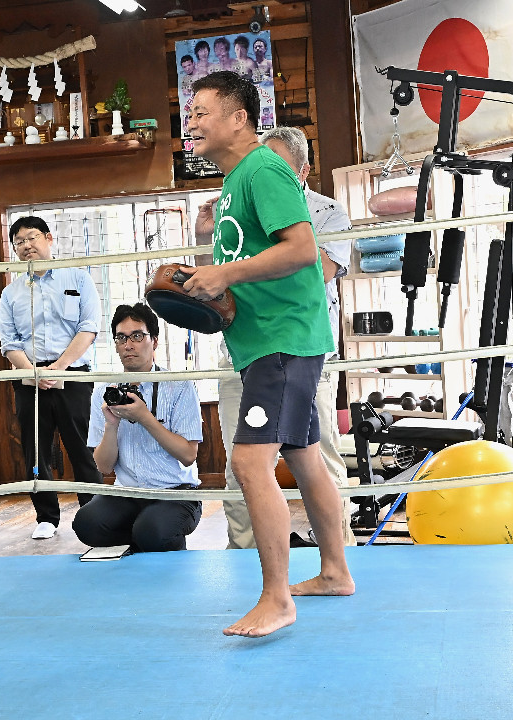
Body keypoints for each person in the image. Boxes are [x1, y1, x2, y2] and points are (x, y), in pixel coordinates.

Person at [183, 71, 354, 638]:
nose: (191, 122)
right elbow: (251, 265)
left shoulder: (263, 168)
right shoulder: (235, 182)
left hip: (282, 341)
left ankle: (277, 599)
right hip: (270, 340)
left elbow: (303, 249)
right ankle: (334, 572)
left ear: (239, 118)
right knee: (303, 457)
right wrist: (206, 286)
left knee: (249, 463)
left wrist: (225, 274)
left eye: (201, 112)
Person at [199, 125, 357, 550]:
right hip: (245, 346)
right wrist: (209, 238)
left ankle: (331, 557)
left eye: (275, 167)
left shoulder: (326, 212)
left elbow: (316, 271)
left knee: (311, 457)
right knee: (256, 464)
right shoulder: (237, 200)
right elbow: (218, 281)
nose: (264, 171)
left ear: (301, 172)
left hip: (294, 346)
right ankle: (247, 552)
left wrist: (257, 246)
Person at [0, 216, 102, 540]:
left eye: (32, 237)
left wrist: (60, 367)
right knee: (35, 450)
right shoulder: (11, 293)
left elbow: (89, 327)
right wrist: (34, 372)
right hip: (30, 378)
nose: (26, 246)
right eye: (19, 242)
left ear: (48, 238)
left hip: (73, 375)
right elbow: (9, 343)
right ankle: (46, 517)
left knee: (82, 448)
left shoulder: (78, 277)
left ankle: (95, 514)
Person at [73, 303, 203, 552]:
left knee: (152, 531)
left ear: (154, 341)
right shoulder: (105, 392)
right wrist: (111, 425)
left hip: (176, 493)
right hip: (128, 492)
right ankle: (148, 537)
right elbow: (103, 467)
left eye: (137, 336)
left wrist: (145, 417)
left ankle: (154, 535)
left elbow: (188, 455)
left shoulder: (179, 386)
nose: (128, 345)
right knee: (86, 524)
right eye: (121, 337)